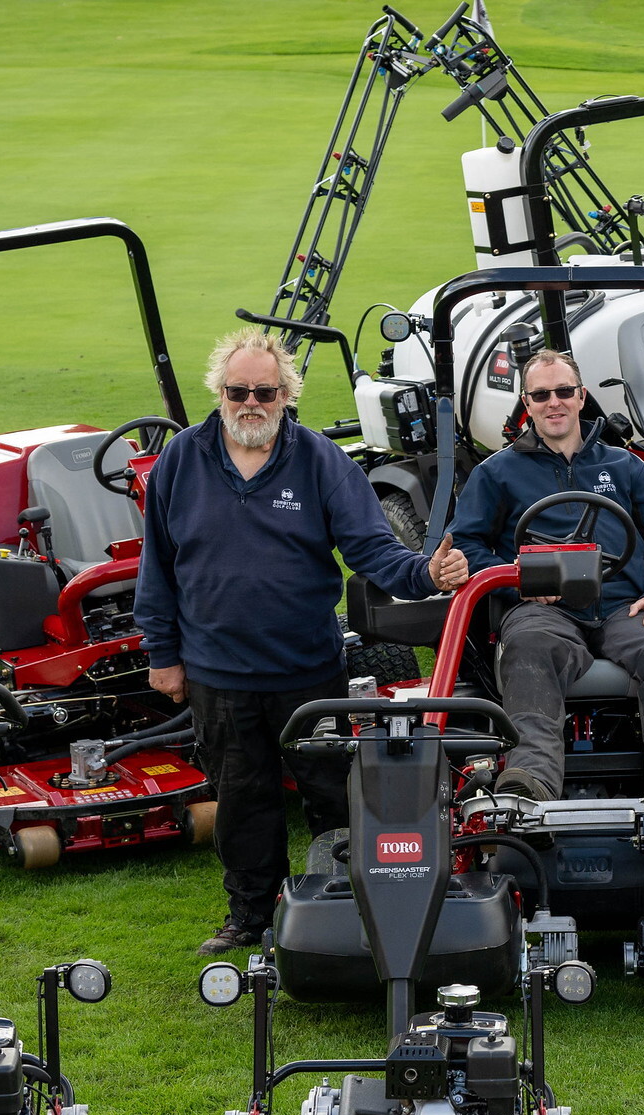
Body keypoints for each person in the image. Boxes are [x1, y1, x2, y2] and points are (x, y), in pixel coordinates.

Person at [134, 329, 467, 954]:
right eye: (239, 391)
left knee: (329, 793)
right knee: (241, 799)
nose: (251, 402)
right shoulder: (181, 458)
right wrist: (163, 652)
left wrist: (425, 574)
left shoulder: (321, 461)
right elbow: (160, 564)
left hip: (307, 672)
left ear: (287, 394)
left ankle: (344, 906)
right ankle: (250, 917)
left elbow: (371, 549)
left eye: (266, 391)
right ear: (221, 393)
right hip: (216, 672)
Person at [448, 350, 644, 801]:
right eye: (541, 394)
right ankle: (532, 778)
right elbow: (468, 546)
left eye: (564, 391)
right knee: (528, 646)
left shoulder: (624, 467)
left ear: (581, 396)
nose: (555, 402)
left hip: (625, 605)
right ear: (526, 403)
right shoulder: (496, 473)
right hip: (541, 610)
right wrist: (521, 579)